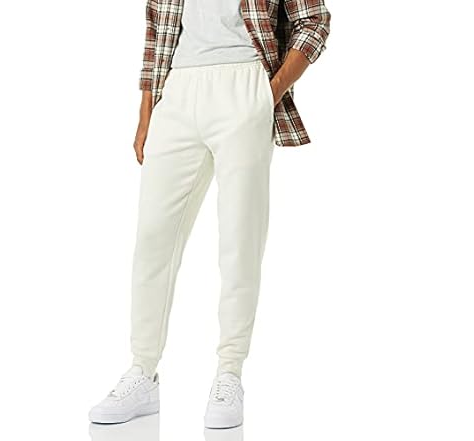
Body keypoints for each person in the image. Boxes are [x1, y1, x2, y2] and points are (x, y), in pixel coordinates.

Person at [89, 0, 331, 428]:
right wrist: (146, 112)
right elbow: (156, 30)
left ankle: (229, 373)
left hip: (245, 81)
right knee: (153, 238)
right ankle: (142, 370)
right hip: (177, 89)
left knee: (240, 237)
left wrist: (268, 93)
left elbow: (314, 20)